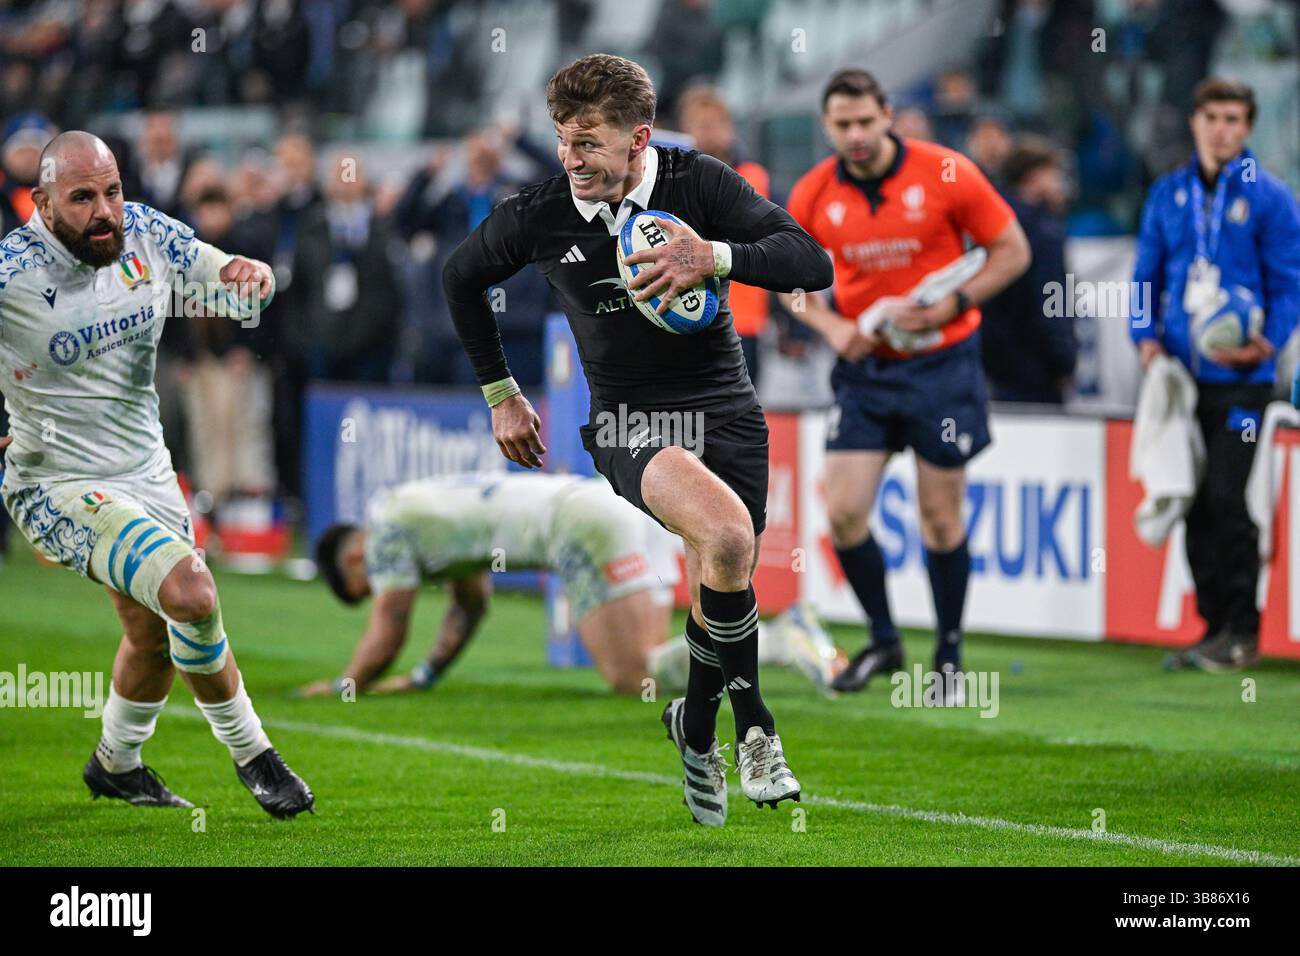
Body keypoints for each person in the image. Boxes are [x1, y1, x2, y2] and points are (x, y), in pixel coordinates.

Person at [442, 54, 834, 826]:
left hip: (727, 411)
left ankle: (693, 725)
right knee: (725, 536)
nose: (571, 159)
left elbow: (810, 262)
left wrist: (712, 256)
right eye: (562, 139)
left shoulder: (698, 184)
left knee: (721, 572)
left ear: (639, 138)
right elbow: (460, 276)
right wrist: (502, 394)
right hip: (630, 420)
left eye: (588, 142)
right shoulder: (543, 212)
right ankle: (755, 731)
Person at [0, 132, 313, 816]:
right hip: (57, 483)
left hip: (146, 471)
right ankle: (256, 757)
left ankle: (115, 763)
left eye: (111, 191)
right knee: (192, 594)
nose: (105, 210)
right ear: (44, 205)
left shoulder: (143, 231)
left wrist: (247, 276)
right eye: (82, 198)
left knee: (152, 638)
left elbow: (227, 281)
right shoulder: (10, 275)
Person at [781, 69, 1030, 699]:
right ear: (827, 127)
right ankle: (885, 639)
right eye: (843, 125)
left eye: (866, 121)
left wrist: (954, 305)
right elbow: (788, 282)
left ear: (888, 112)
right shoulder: (812, 192)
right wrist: (834, 329)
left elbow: (1012, 251)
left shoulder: (948, 171)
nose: (857, 135)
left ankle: (947, 654)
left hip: (941, 365)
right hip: (866, 370)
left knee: (940, 520)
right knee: (842, 512)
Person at [1132, 78, 1300, 672]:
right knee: (1196, 499)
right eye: (1212, 117)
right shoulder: (1168, 195)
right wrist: (1145, 339)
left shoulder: (1271, 197)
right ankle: (1212, 628)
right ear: (1196, 122)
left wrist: (1266, 342)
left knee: (1229, 495)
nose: (1222, 128)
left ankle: (1243, 629)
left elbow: (1289, 284)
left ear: (1247, 126)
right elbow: (1144, 278)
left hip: (1245, 382)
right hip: (1181, 379)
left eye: (1233, 118)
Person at [300, 473, 672, 697]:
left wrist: (345, 686)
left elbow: (388, 635)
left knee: (632, 679)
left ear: (352, 559)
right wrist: (423, 677)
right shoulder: (421, 510)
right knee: (654, 667)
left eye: (367, 588)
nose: (379, 590)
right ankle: (721, 655)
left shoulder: (386, 531)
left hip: (580, 525)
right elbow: (470, 606)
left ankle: (726, 654)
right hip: (611, 502)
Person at [676, 85, 774, 388]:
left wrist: (793, 323)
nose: (709, 133)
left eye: (716, 124)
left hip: (743, 322)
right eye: (701, 125)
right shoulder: (670, 180)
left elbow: (783, 246)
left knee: (740, 416)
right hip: (684, 320)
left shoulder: (756, 177)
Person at [980, 136, 1077, 404]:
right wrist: (1064, 362)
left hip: (995, 370)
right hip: (1037, 373)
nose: (1061, 186)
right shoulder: (1043, 232)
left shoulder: (989, 225)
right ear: (1034, 179)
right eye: (1055, 176)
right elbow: (1052, 304)